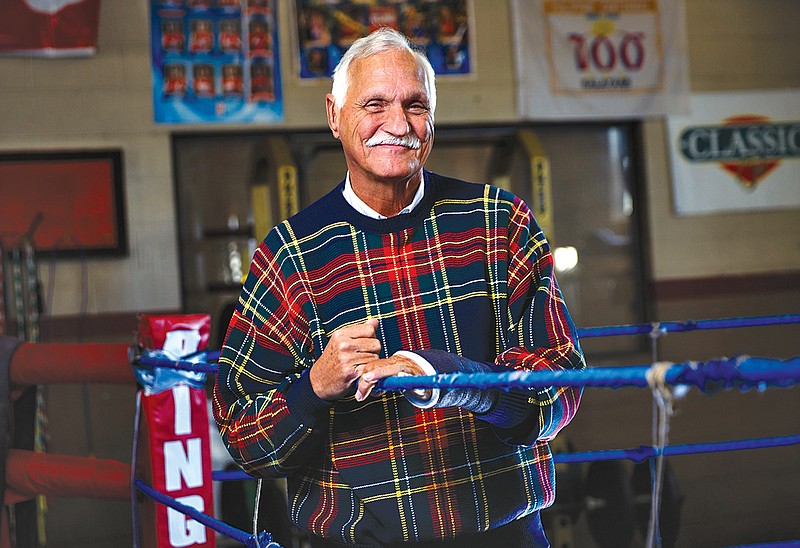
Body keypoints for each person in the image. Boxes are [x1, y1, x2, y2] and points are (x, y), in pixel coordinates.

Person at [213, 27, 585, 547]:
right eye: (374, 104)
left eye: (415, 105)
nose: (397, 124)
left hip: (504, 533)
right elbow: (244, 438)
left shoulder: (499, 221)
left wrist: (444, 377)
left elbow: (562, 384)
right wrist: (314, 388)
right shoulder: (290, 254)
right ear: (333, 116)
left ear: (432, 117)